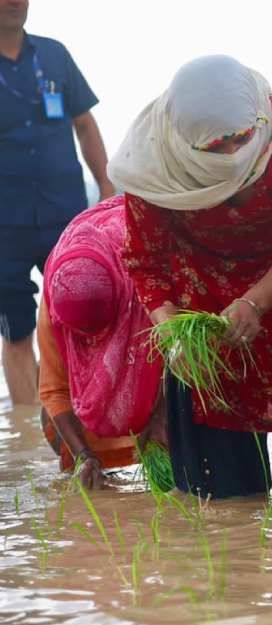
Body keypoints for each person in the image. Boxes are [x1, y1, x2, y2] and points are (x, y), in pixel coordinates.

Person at [109, 55, 272, 500]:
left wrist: (254, 302)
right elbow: (146, 262)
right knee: (231, 502)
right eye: (213, 147)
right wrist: (173, 334)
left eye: (241, 139)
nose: (233, 155)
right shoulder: (153, 162)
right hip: (209, 320)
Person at [0, 0, 112, 406]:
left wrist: (106, 185)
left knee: (83, 319)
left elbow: (84, 123)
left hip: (64, 217)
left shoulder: (54, 54)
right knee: (16, 333)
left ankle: (90, 424)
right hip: (5, 226)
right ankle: (30, 439)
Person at [37, 196, 164, 487]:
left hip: (150, 364)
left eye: (100, 332)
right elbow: (54, 390)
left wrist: (160, 415)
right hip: (92, 411)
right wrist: (84, 455)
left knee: (182, 432)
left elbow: (182, 358)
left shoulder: (146, 279)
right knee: (54, 420)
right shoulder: (57, 298)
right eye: (82, 337)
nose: (94, 343)